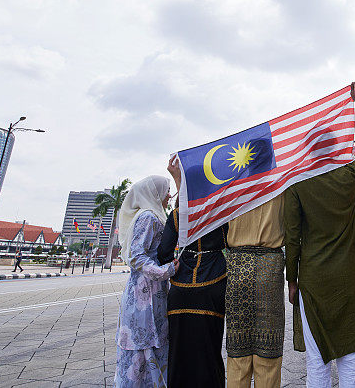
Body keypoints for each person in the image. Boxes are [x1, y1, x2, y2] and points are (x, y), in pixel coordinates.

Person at [284, 82, 355, 388]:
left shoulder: (297, 186)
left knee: (316, 358)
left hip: (313, 279)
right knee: (350, 356)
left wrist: (292, 280)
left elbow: (292, 239)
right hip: (348, 278)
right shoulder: (348, 175)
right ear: (334, 149)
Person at [159, 158, 229, 388]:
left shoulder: (180, 215)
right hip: (214, 282)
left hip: (181, 289)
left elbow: (163, 254)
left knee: (179, 349)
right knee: (208, 347)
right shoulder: (220, 214)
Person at [114, 175, 178, 388]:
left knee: (147, 348)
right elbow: (136, 256)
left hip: (150, 291)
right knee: (144, 348)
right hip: (145, 294)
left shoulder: (151, 215)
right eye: (166, 190)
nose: (169, 195)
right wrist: (167, 270)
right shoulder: (149, 217)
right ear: (154, 193)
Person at [225, 195, 286, 388]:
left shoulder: (232, 181)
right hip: (270, 267)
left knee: (238, 348)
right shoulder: (281, 180)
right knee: (268, 347)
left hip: (236, 266)